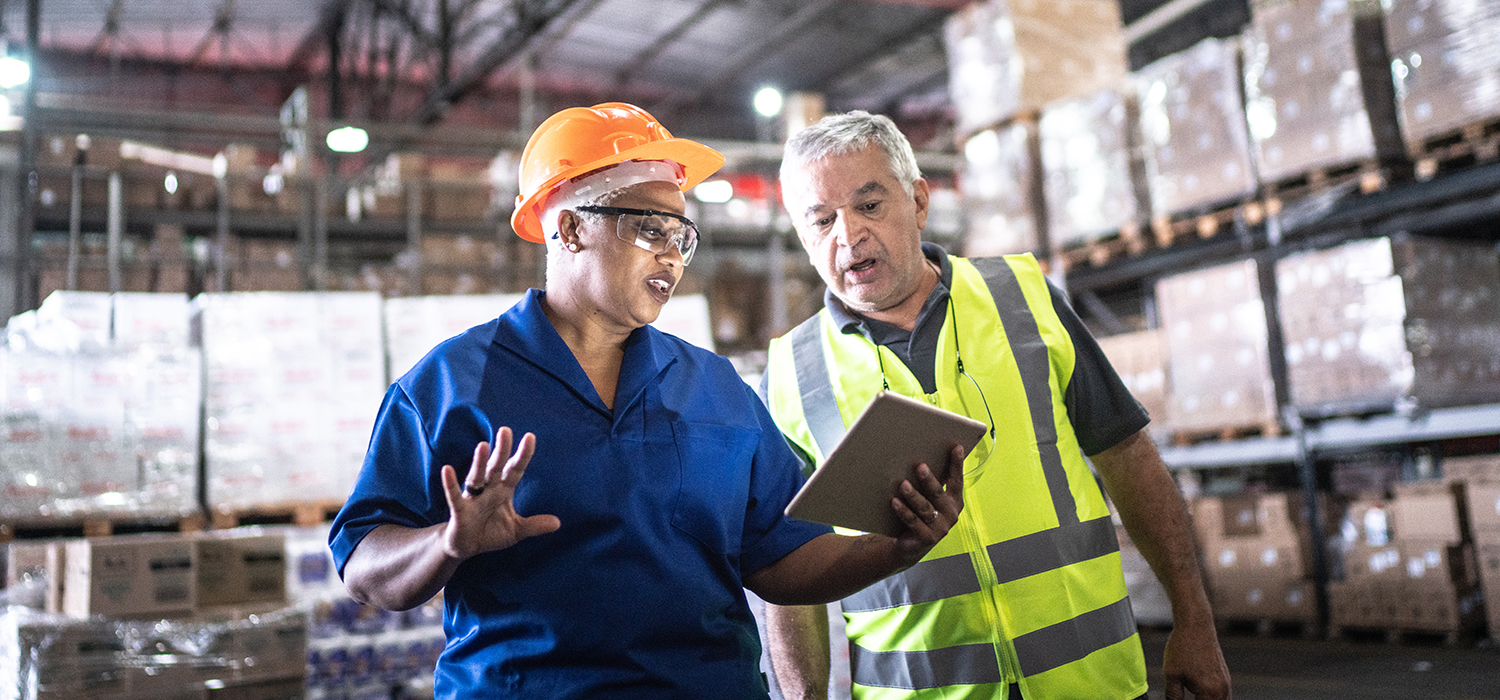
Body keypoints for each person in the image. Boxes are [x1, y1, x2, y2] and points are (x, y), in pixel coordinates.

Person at [327, 102, 967, 700]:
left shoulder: (715, 390)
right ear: (571, 229)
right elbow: (362, 566)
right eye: (650, 229)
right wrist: (448, 543)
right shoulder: (449, 387)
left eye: (682, 236)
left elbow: (783, 559)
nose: (673, 255)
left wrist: (898, 548)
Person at [759, 111, 1232, 700]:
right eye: (821, 220)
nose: (847, 236)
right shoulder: (789, 372)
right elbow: (781, 559)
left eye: (870, 206)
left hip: (1087, 682)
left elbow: (1128, 455)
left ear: (919, 201)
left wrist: (1194, 618)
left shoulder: (1023, 299)